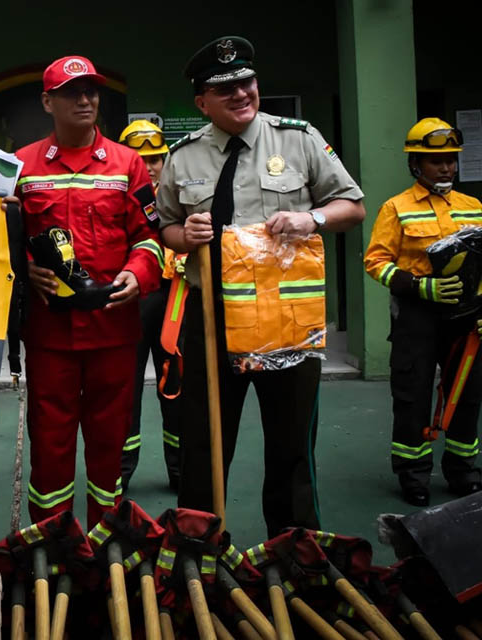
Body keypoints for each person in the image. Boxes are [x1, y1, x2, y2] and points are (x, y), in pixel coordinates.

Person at [156, 36, 366, 536]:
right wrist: (184, 235)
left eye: (246, 82)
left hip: (285, 322)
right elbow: (164, 225)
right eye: (223, 88)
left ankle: (295, 551)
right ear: (201, 101)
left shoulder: (299, 139)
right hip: (211, 322)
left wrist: (310, 217)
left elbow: (351, 207)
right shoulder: (182, 156)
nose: (240, 94)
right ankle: (199, 551)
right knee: (204, 444)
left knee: (293, 446)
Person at [15, 56, 163, 526]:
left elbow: (149, 235)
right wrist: (26, 269)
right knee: (51, 443)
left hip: (113, 328)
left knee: (108, 441)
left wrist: (139, 273)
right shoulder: (19, 164)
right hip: (49, 331)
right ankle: (50, 543)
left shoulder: (128, 164)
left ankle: (105, 538)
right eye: (71, 92)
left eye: (91, 92)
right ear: (47, 101)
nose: (85, 100)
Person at [363, 117, 482, 506]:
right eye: (435, 160)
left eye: (451, 159)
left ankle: (463, 471)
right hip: (417, 317)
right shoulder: (397, 208)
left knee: (469, 393)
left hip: (467, 317)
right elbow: (376, 261)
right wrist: (421, 286)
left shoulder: (472, 207)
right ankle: (413, 475)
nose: (446, 167)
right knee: (412, 394)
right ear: (415, 165)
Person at [117, 119, 183, 493]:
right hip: (133, 304)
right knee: (125, 392)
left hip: (174, 302)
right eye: (143, 159)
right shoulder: (117, 199)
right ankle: (120, 472)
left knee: (175, 388)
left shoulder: (180, 196)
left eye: (156, 158)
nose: (152, 165)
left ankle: (180, 470)